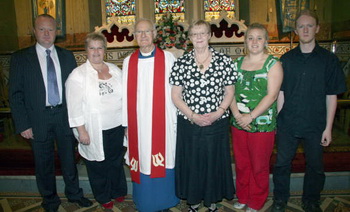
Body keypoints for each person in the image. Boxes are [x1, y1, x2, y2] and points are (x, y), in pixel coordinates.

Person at [8, 14, 92, 212]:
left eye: (51, 29)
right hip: (37, 119)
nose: (47, 33)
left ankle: (74, 194)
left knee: (69, 160)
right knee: (43, 163)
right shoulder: (20, 58)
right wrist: (23, 124)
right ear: (34, 31)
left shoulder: (66, 56)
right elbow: (15, 94)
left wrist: (79, 119)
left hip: (64, 117)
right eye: (42, 29)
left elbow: (75, 91)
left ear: (57, 32)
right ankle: (50, 200)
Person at [271, 9, 347, 212]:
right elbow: (281, 93)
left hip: (316, 123)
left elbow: (331, 96)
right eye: (301, 26)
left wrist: (328, 128)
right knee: (281, 165)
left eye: (309, 25)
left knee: (315, 166)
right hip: (288, 122)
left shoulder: (329, 61)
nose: (305, 29)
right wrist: (277, 121)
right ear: (295, 30)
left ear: (317, 29)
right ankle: (280, 200)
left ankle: (311, 201)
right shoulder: (286, 60)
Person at [170, 20, 236, 212]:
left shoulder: (224, 61)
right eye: (194, 34)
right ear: (190, 38)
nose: (198, 37)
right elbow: (176, 95)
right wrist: (192, 115)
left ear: (209, 35)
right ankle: (194, 200)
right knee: (193, 162)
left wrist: (219, 112)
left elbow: (230, 90)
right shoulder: (181, 63)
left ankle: (212, 199)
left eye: (202, 33)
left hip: (217, 123)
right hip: (190, 123)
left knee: (213, 161)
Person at [122, 18, 179, 212]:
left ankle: (165, 200)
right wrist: (126, 125)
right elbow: (124, 95)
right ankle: (145, 202)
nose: (143, 35)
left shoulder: (169, 59)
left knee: (164, 157)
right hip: (137, 122)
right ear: (134, 36)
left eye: (147, 32)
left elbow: (177, 92)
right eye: (139, 32)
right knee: (143, 159)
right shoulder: (129, 61)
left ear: (154, 34)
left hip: (163, 121)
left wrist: (175, 119)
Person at [65, 32, 127, 209]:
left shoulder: (115, 70)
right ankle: (103, 195)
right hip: (93, 129)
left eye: (100, 47)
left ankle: (118, 190)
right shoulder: (78, 75)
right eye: (92, 47)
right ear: (86, 50)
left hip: (116, 126)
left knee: (115, 161)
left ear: (105, 50)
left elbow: (125, 99)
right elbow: (73, 106)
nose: (96, 51)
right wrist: (81, 130)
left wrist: (127, 124)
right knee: (97, 164)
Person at [229, 23, 283, 212]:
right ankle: (243, 196)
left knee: (259, 165)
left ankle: (256, 200)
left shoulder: (273, 64)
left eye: (259, 38)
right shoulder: (236, 64)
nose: (254, 41)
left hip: (262, 125)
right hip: (238, 123)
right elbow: (229, 92)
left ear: (266, 41)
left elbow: (272, 95)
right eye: (250, 37)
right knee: (242, 164)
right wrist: (237, 114)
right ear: (245, 41)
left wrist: (250, 116)